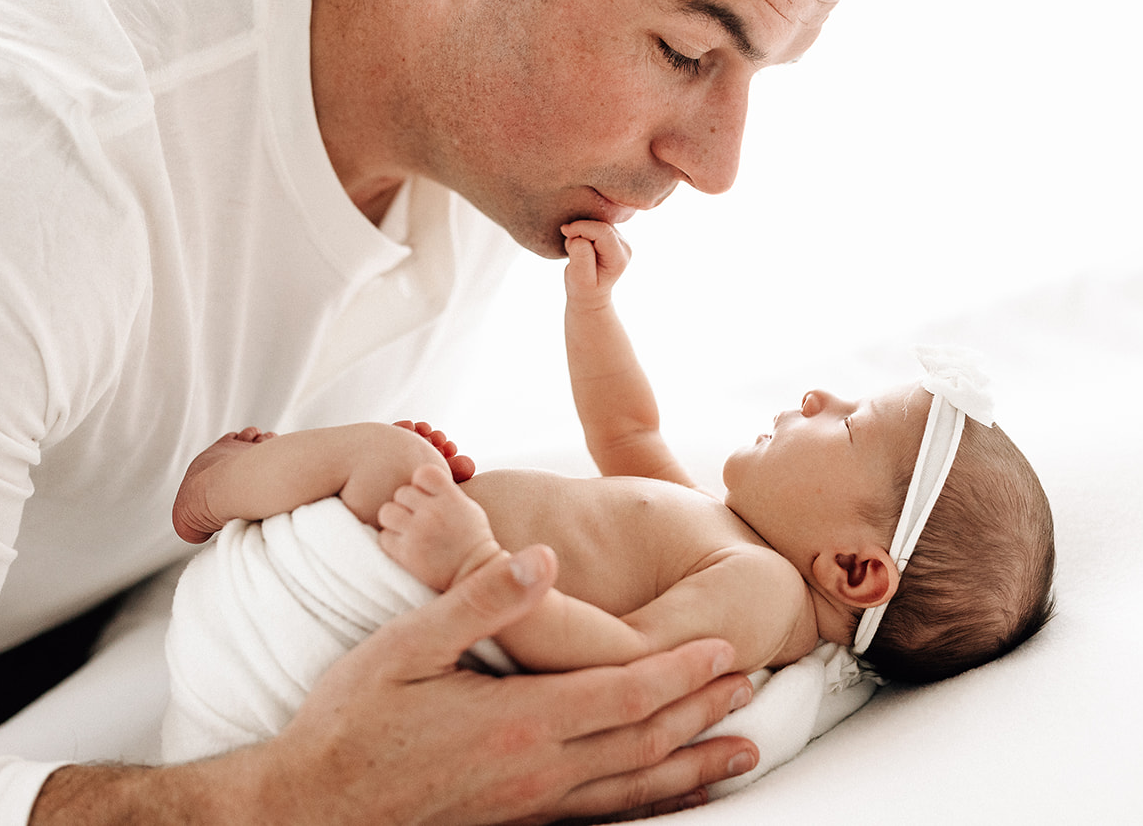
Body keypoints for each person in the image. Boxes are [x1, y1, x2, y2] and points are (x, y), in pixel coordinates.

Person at [0, 0, 915, 822]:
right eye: (686, 50)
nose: (716, 161)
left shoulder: (483, 102)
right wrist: (274, 800)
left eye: (751, 71)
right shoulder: (11, 172)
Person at [164, 220, 1055, 760]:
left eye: (850, 425)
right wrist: (593, 309)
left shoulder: (761, 590)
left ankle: (222, 483)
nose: (822, 396)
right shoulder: (729, 536)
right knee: (398, 459)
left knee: (392, 456)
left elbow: (621, 661)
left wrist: (476, 565)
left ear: (856, 570)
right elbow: (625, 433)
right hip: (388, 568)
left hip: (379, 599)